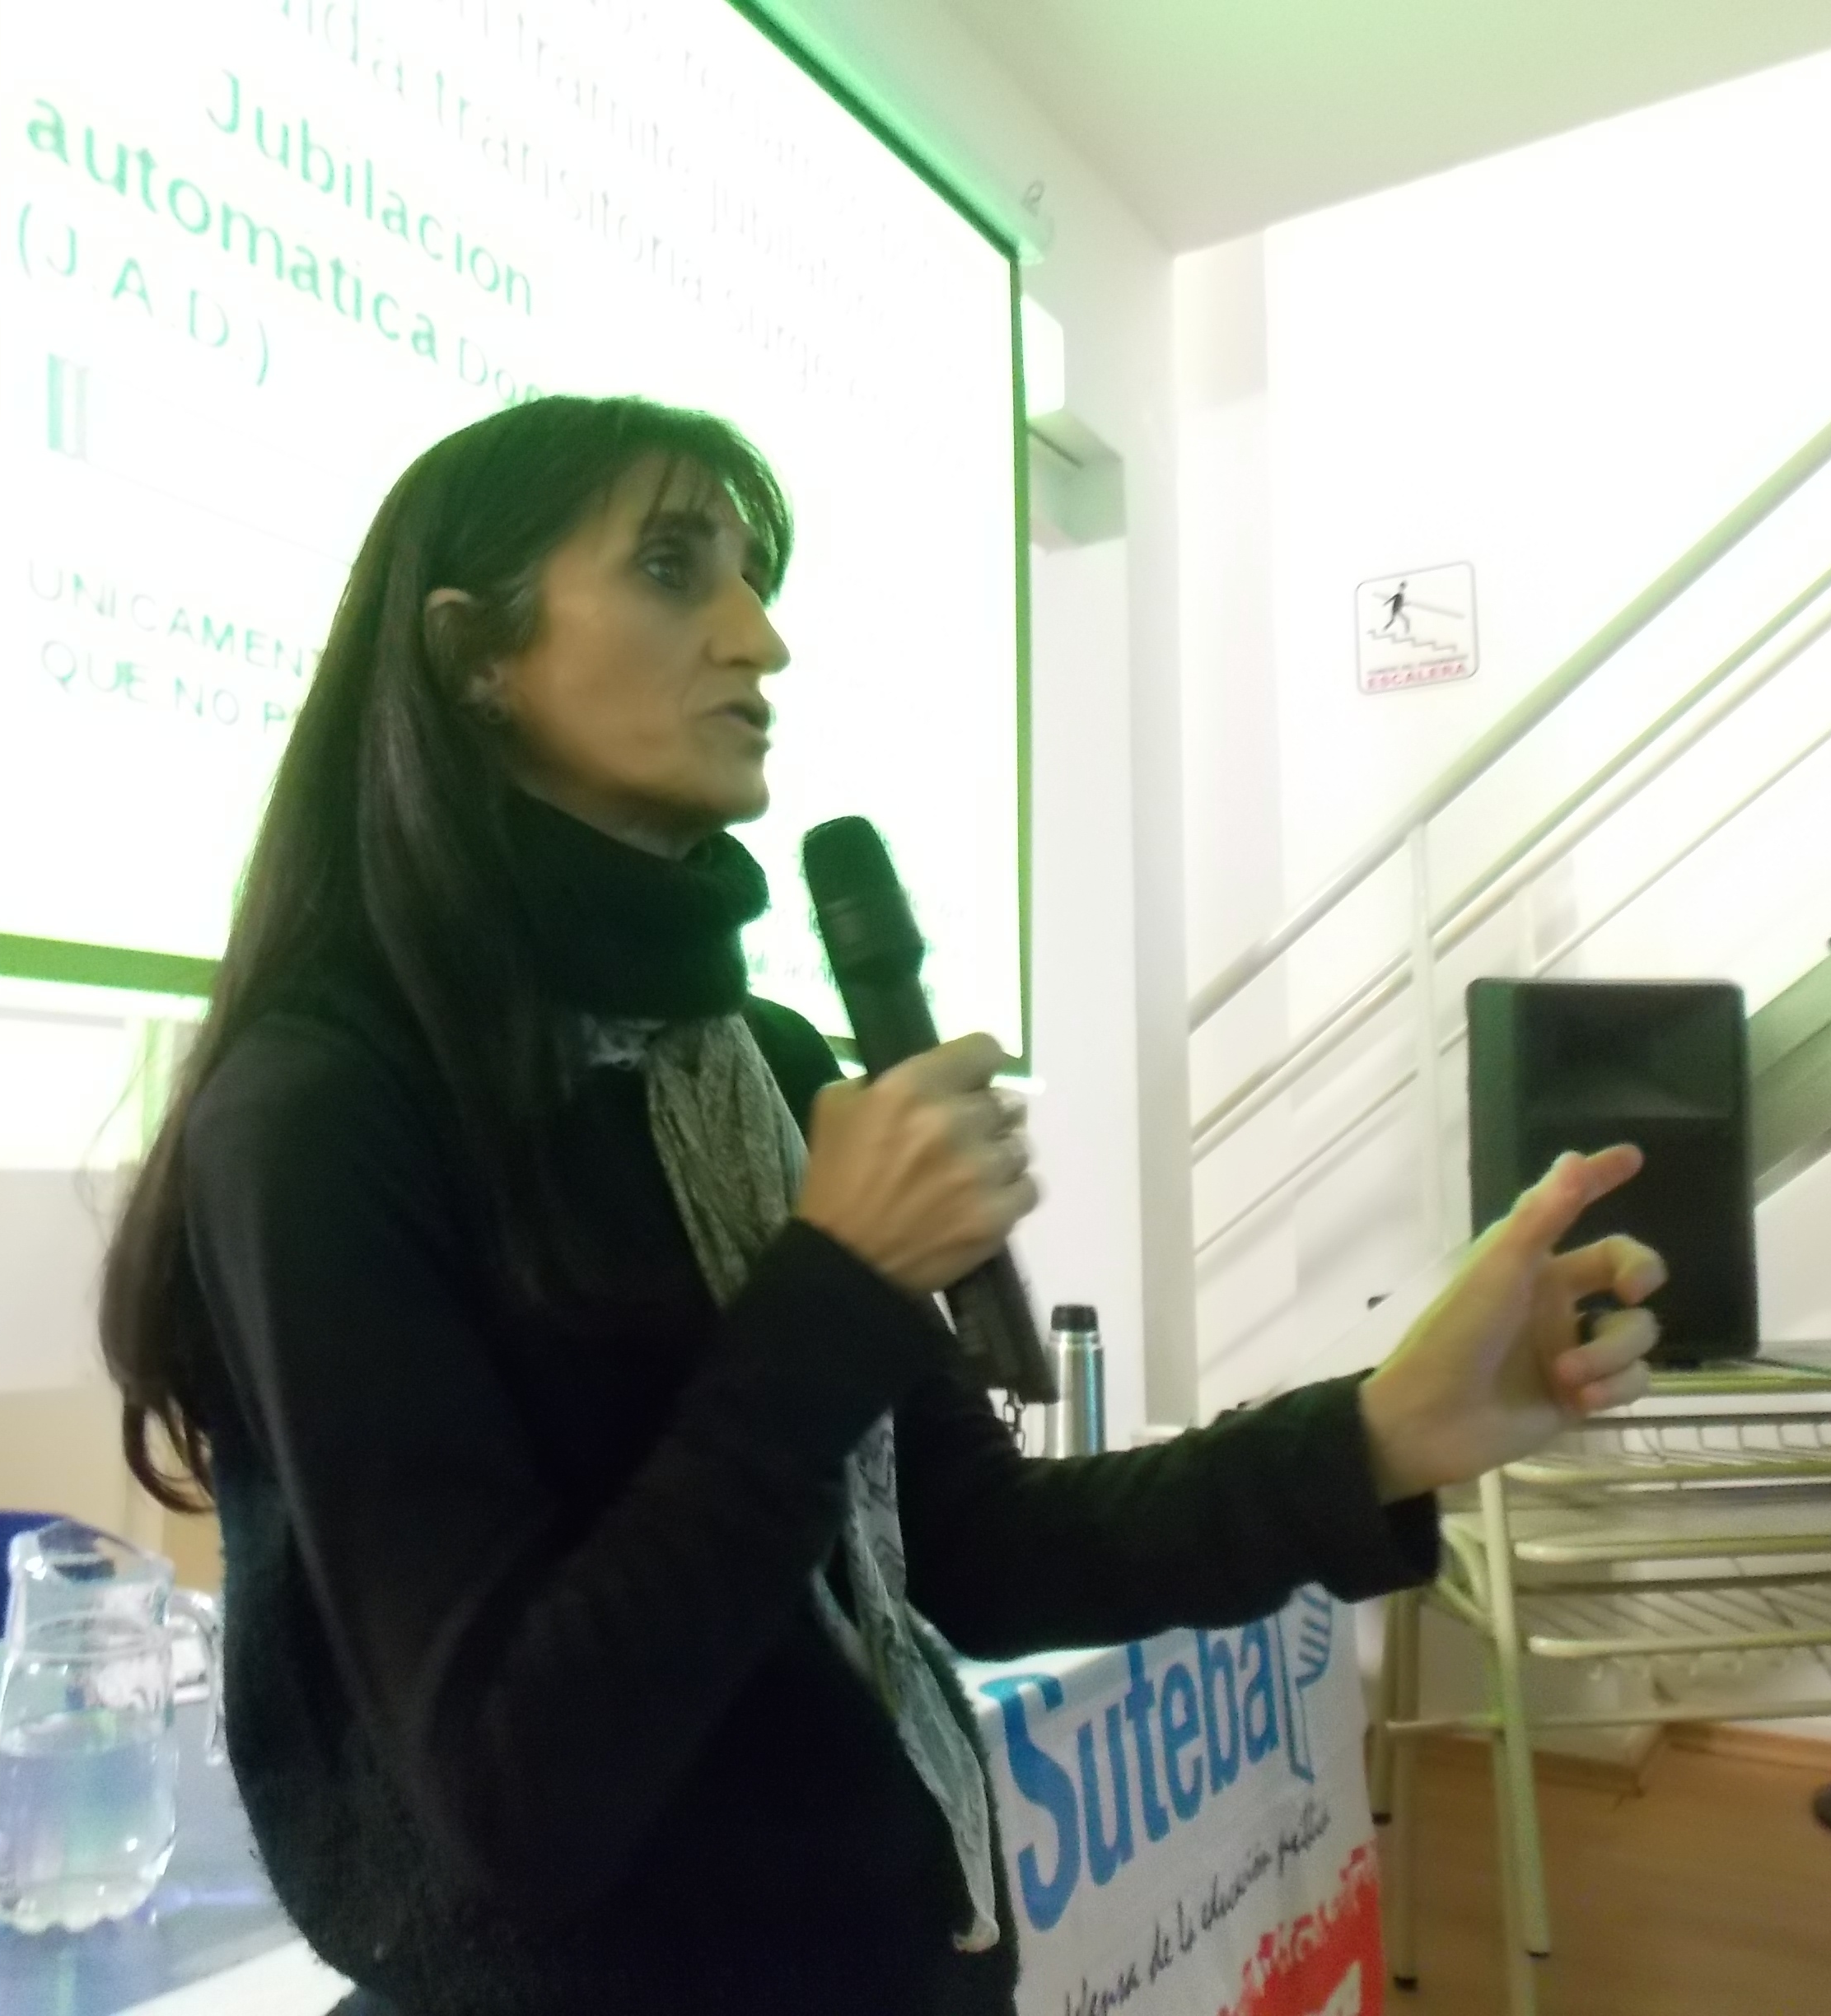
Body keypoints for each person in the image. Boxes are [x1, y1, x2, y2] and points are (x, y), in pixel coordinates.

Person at [100, 394, 1665, 2016]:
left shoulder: (761, 1064)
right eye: (671, 568)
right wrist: (836, 1285)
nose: (759, 639)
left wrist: (1381, 1431)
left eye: (755, 579)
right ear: (471, 654)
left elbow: (975, 1549)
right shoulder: (325, 1107)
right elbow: (515, 1788)